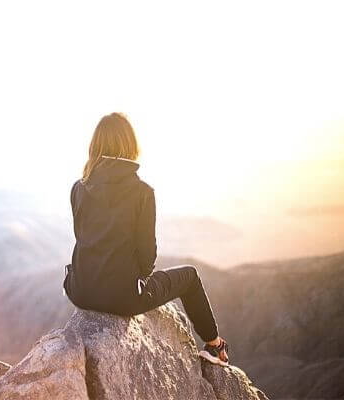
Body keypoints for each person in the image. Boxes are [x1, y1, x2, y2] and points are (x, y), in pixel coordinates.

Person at [62, 112, 229, 366]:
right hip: (123, 298)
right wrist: (137, 281)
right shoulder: (142, 193)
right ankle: (215, 345)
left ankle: (214, 345)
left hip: (79, 290)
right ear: (131, 146)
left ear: (95, 146)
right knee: (191, 277)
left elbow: (82, 237)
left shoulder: (78, 187)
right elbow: (147, 258)